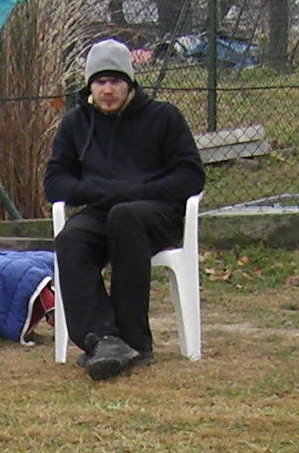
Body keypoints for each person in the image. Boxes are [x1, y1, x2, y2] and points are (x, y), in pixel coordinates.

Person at [45, 39, 204, 380]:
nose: (107, 90)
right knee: (71, 237)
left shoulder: (164, 117)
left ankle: (136, 340)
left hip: (155, 213)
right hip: (102, 210)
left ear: (130, 84)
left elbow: (191, 176)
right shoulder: (76, 123)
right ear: (89, 86)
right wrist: (97, 191)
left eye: (115, 81)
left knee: (126, 216)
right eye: (100, 82)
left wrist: (137, 192)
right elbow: (55, 181)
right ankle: (103, 339)